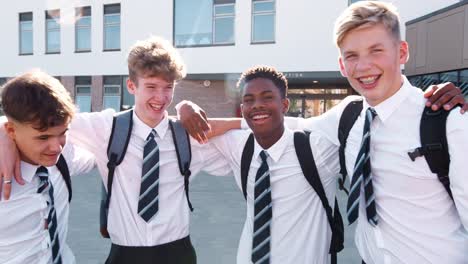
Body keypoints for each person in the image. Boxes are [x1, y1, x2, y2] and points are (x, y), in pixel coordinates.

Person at [0, 36, 235, 264]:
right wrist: (3, 132)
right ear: (131, 85)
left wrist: (188, 106)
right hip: (125, 254)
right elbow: (40, 120)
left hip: (178, 252)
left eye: (168, 88)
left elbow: (242, 136)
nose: (160, 97)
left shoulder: (188, 136)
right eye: (151, 86)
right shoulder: (105, 128)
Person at [327, 2, 468, 263]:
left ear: (402, 52)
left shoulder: (448, 121)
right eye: (352, 55)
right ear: (342, 65)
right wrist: (235, 122)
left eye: (376, 50)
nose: (363, 66)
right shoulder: (347, 117)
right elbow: (289, 128)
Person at [204, 65, 341, 263]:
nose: (257, 105)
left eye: (267, 97)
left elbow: (355, 111)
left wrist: (242, 122)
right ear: (242, 109)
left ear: (285, 105)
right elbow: (177, 128)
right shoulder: (239, 146)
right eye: (249, 100)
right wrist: (185, 107)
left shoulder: (316, 148)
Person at [0, 71, 95, 264]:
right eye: (43, 137)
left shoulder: (65, 156)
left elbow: (109, 147)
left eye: (62, 133)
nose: (56, 147)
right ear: (11, 130)